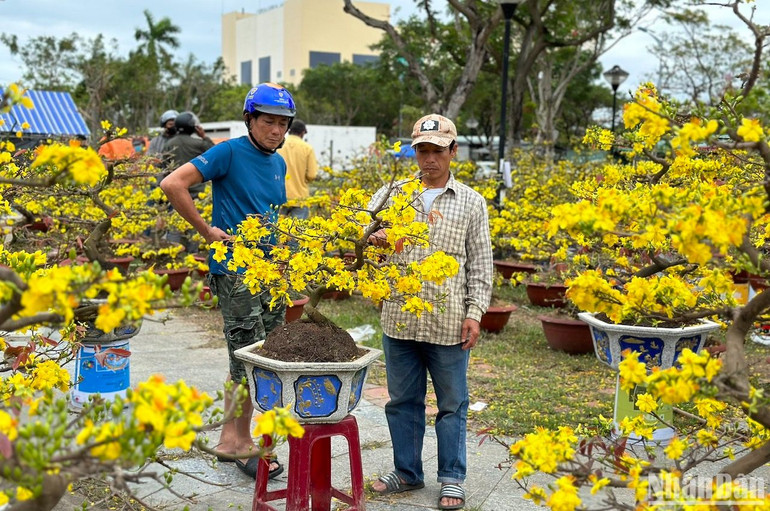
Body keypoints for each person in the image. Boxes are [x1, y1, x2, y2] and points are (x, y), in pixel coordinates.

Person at [159, 83, 295, 481]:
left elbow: (273, 214)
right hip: (236, 272)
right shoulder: (229, 151)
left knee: (262, 356)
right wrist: (206, 231)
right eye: (268, 121)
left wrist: (285, 256)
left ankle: (229, 441)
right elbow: (172, 183)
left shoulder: (279, 162)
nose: (276, 130)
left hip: (271, 272)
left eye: (282, 123)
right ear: (250, 120)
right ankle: (239, 444)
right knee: (248, 357)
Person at [367, 114, 493, 510]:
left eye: (437, 150)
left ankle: (452, 478)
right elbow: (362, 243)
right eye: (422, 150)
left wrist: (475, 312)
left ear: (453, 152)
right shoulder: (392, 196)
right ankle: (406, 472)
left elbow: (481, 264)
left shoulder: (472, 202)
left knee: (452, 403)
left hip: (448, 322)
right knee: (402, 401)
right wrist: (375, 239)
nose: (429, 159)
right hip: (399, 319)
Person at [277, 119, 318, 218]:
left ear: (289, 130)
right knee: (298, 232)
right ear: (303, 132)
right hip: (300, 198)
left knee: (276, 230)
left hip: (279, 195)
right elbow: (312, 175)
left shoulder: (278, 145)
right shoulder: (307, 148)